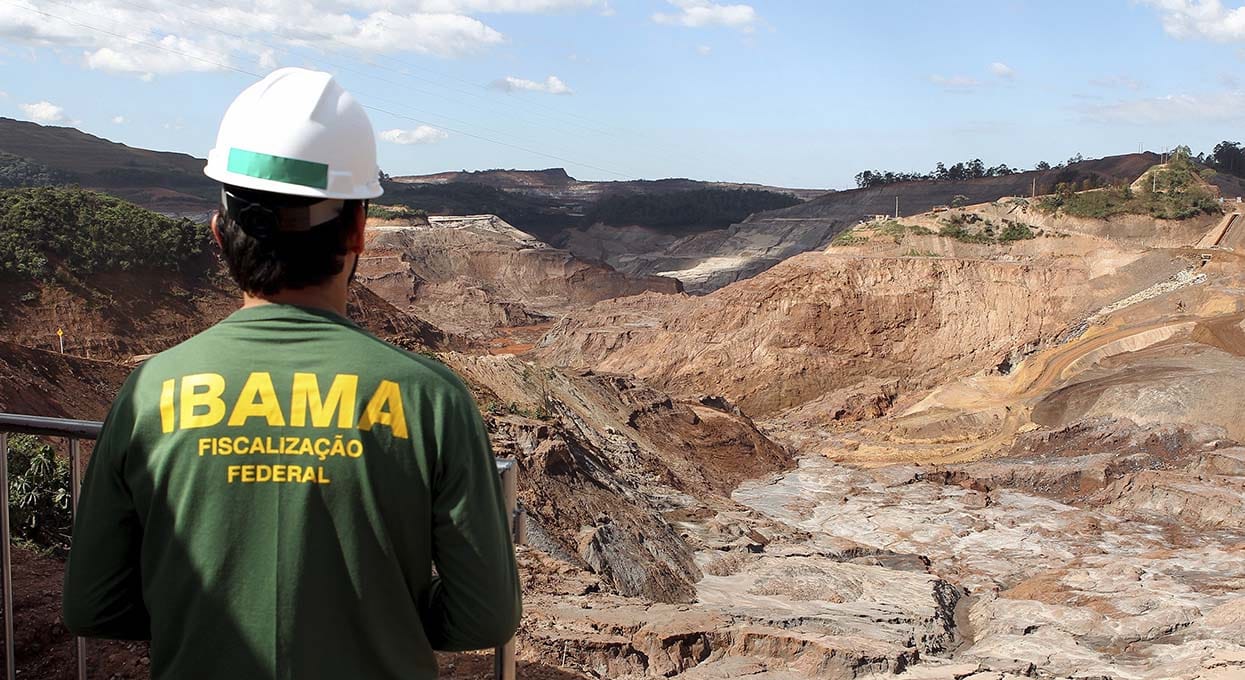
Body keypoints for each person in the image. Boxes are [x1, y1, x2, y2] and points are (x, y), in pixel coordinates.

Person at [62, 67, 521, 679]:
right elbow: (485, 616)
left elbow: (93, 603)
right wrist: (384, 617)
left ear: (219, 233)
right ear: (359, 231)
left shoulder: (148, 392)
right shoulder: (431, 399)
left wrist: (201, 613)